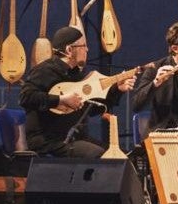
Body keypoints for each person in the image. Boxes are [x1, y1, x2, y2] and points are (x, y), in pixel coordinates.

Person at [18, 26, 134, 157]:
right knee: (99, 156)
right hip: (48, 141)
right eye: (83, 46)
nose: (87, 49)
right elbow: (25, 97)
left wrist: (117, 89)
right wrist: (61, 100)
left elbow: (90, 109)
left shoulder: (77, 75)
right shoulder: (44, 70)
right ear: (69, 50)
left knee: (121, 155)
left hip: (74, 138)